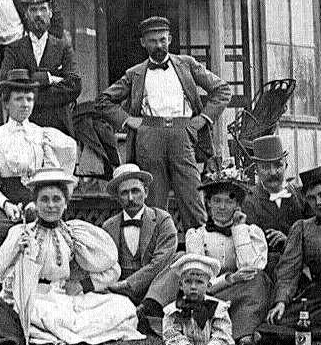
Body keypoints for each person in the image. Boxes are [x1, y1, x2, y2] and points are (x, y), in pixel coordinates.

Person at [94, 16, 230, 234]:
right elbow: (103, 101)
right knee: (154, 203)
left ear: (170, 39)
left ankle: (200, 256)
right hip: (149, 136)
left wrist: (203, 118)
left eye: (162, 39)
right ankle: (157, 258)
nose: (158, 45)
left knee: (192, 197)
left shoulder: (187, 64)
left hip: (183, 134)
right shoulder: (135, 73)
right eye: (152, 41)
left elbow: (222, 89)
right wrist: (128, 120)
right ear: (143, 43)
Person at [0, 167, 144, 345]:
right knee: (46, 315)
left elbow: (112, 268)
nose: (51, 205)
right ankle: (64, 329)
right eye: (44, 200)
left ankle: (65, 329)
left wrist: (82, 285)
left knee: (123, 306)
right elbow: (0, 273)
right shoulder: (21, 233)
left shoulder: (73, 234)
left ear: (65, 204)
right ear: (35, 204)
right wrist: (18, 252)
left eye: (57, 199)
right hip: (33, 298)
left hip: (64, 297)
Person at [0, 69, 77, 290]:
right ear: (7, 103)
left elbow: (50, 176)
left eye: (30, 99)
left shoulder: (43, 135)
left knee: (44, 227)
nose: (25, 104)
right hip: (2, 200)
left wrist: (37, 202)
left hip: (37, 198)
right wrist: (5, 204)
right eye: (19, 99)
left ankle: (39, 288)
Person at [141, 175, 268, 342]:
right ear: (208, 203)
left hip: (240, 295)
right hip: (205, 294)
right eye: (217, 201)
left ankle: (240, 332)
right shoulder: (198, 235)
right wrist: (229, 279)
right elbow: (197, 278)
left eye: (229, 202)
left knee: (258, 279)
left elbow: (249, 268)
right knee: (182, 260)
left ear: (238, 205)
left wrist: (239, 230)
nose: (222, 207)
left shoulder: (251, 232)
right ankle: (153, 310)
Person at [261, 165, 321, 345]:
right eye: (311, 198)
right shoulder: (302, 228)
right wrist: (281, 302)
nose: (318, 202)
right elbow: (289, 271)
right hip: (316, 297)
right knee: (278, 322)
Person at [0, 0, 81, 135]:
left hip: (58, 128)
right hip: (23, 129)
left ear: (50, 13)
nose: (38, 15)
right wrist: (46, 80)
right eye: (33, 9)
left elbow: (74, 85)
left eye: (43, 9)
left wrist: (28, 91)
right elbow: (5, 83)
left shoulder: (63, 47)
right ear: (26, 14)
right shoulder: (14, 49)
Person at [100, 163, 178, 306]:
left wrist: (129, 283)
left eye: (135, 191)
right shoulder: (108, 227)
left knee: (179, 259)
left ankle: (148, 307)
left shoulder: (162, 220)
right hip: (119, 290)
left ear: (146, 192)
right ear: (117, 197)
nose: (130, 198)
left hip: (154, 289)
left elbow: (160, 262)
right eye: (124, 193)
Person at [161, 254, 243, 345]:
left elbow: (222, 331)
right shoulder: (174, 309)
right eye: (188, 282)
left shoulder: (218, 307)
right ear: (181, 285)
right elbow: (172, 334)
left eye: (199, 282)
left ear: (208, 285)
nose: (193, 287)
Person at [240, 134, 311, 267]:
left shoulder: (301, 196)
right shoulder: (249, 201)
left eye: (277, 165)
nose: (272, 172)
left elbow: (314, 235)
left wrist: (289, 242)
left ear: (286, 165)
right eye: (265, 167)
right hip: (267, 269)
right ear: (257, 170)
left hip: (301, 265)